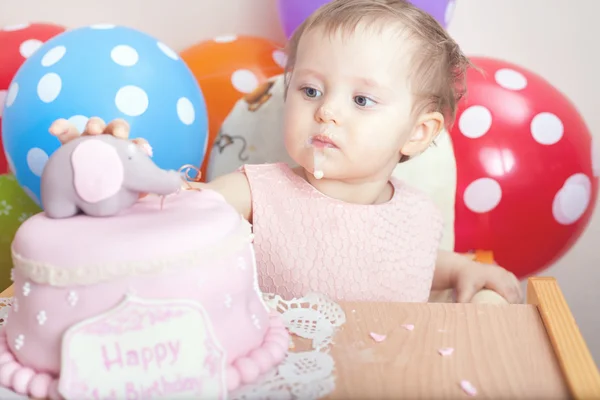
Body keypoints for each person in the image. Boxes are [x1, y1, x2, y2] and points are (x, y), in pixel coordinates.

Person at [49, 0, 522, 304]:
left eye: (361, 100)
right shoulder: (255, 191)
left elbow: (402, 262)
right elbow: (172, 211)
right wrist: (111, 170)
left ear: (418, 133)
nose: (327, 112)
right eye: (311, 90)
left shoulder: (420, 213)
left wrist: (459, 268)